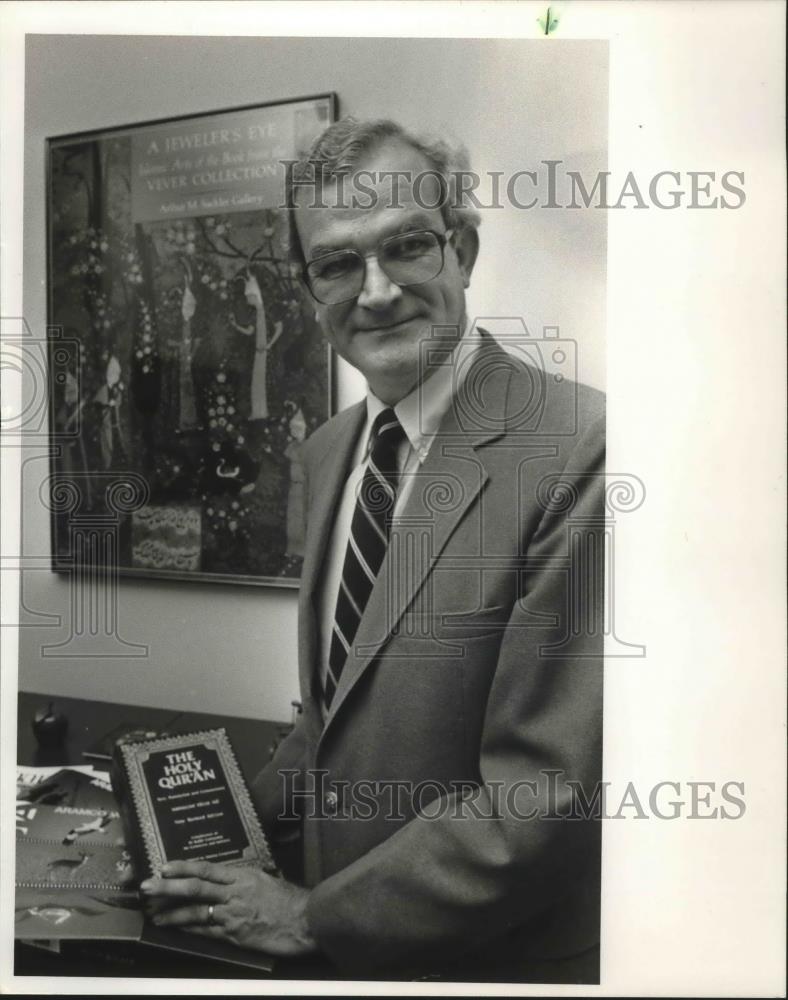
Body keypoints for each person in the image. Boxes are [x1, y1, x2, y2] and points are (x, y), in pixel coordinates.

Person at [142, 117, 605, 983]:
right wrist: (197, 837)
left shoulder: (581, 446)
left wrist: (313, 917)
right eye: (337, 262)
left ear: (462, 251)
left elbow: (547, 795)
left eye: (408, 246)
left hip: (490, 969)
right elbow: (333, 716)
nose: (378, 291)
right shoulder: (328, 450)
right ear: (309, 286)